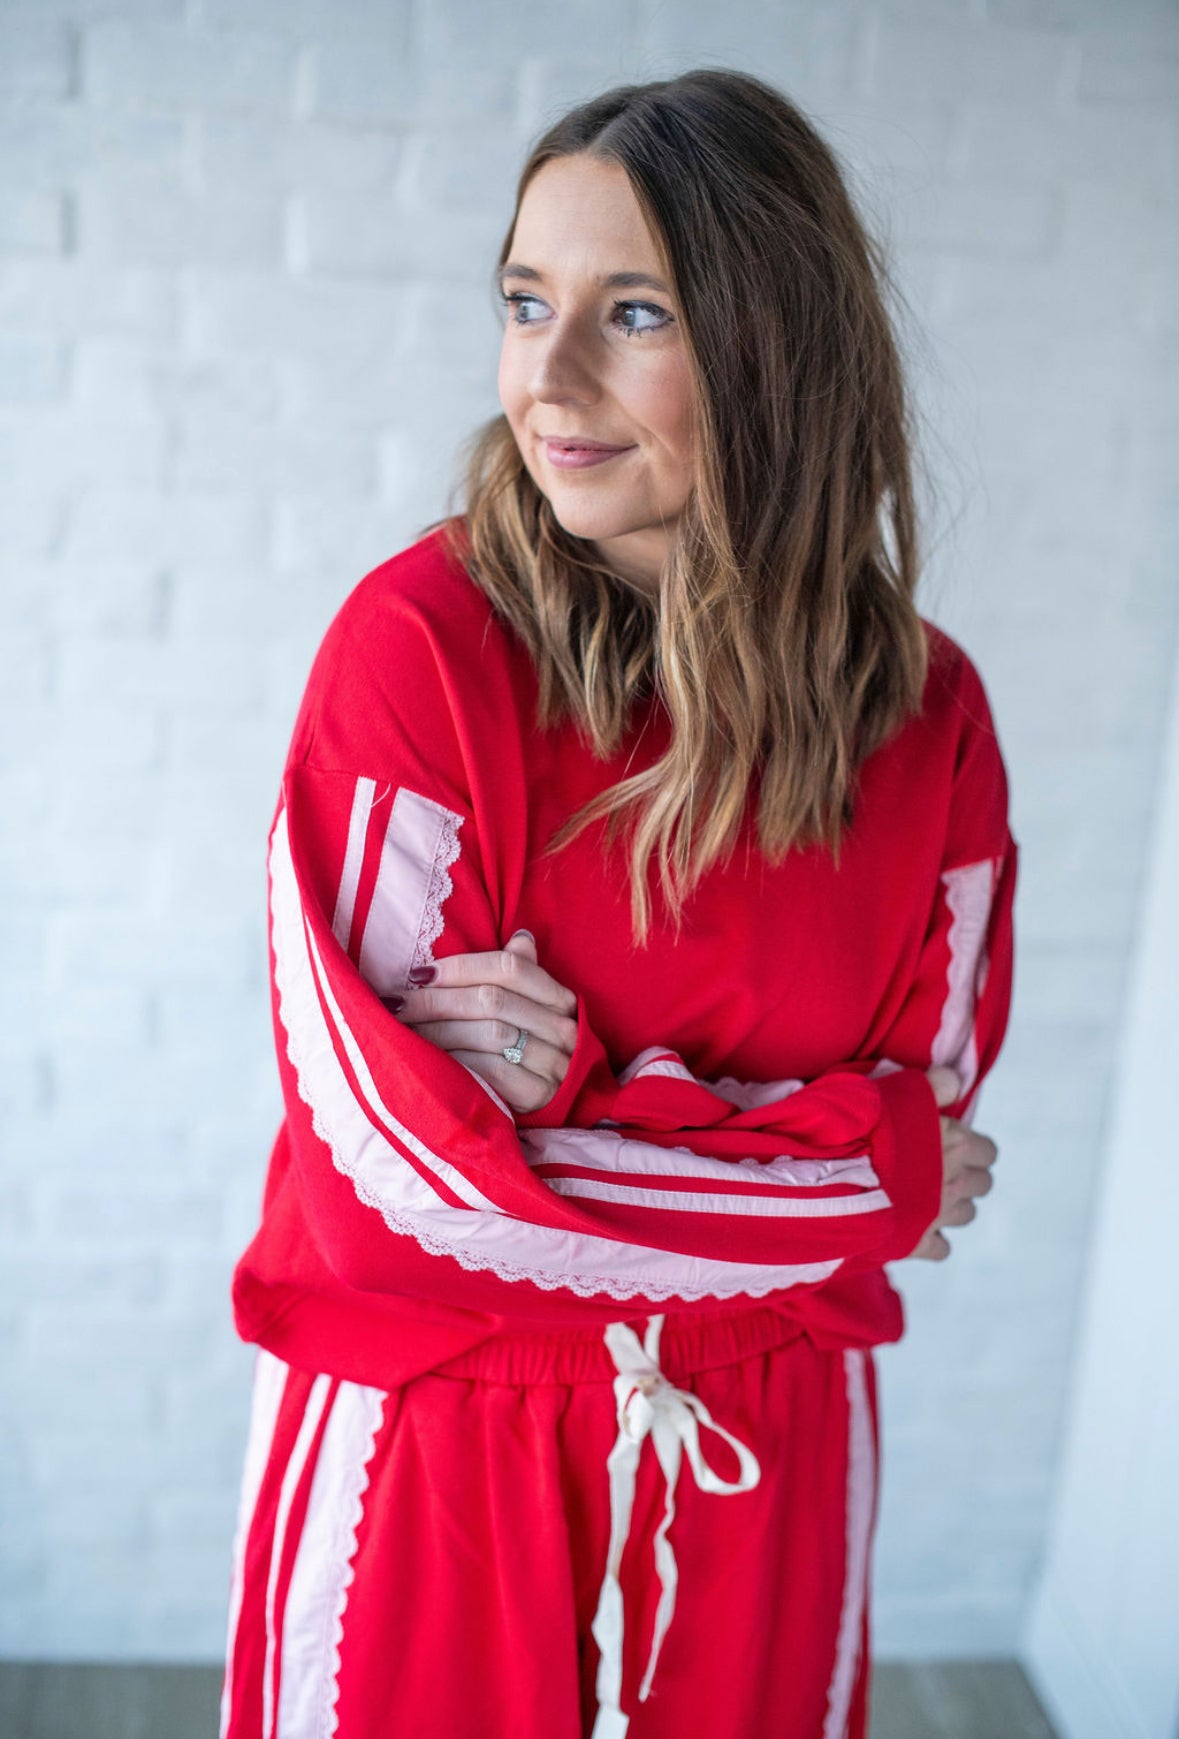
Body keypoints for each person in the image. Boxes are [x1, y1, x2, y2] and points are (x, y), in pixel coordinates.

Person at [219, 69, 1017, 1739]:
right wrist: (828, 1156)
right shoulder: (420, 649)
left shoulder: (929, 719)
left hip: (770, 1443)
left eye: (631, 311)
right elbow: (398, 1203)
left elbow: (924, 1125)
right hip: (436, 1444)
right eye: (525, 303)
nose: (547, 377)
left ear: (772, 346)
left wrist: (567, 1121)